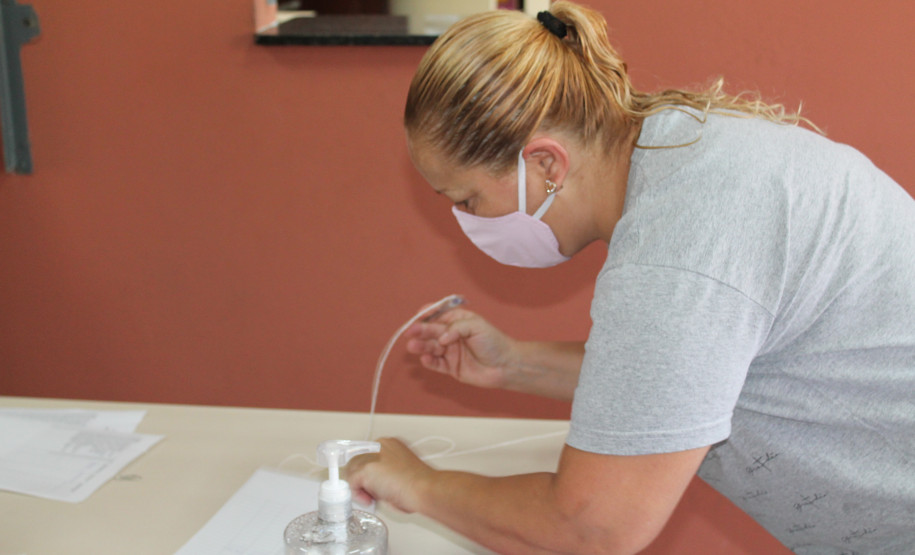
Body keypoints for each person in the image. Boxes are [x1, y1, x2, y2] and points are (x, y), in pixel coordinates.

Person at [345, 2, 915, 553]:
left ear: (546, 165)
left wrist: (418, 484)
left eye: (467, 199)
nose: (467, 221)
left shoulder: (682, 239)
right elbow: (673, 381)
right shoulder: (685, 152)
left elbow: (593, 526)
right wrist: (515, 362)